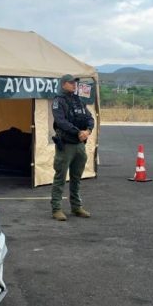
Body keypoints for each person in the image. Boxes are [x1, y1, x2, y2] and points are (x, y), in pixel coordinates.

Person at [50, 74, 95, 221]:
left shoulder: (78, 101)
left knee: (76, 178)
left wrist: (88, 131)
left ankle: (76, 207)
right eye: (71, 83)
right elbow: (61, 121)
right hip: (66, 145)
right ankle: (56, 209)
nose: (74, 85)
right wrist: (78, 132)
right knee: (60, 178)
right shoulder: (58, 101)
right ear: (63, 84)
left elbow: (89, 118)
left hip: (79, 145)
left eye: (75, 83)